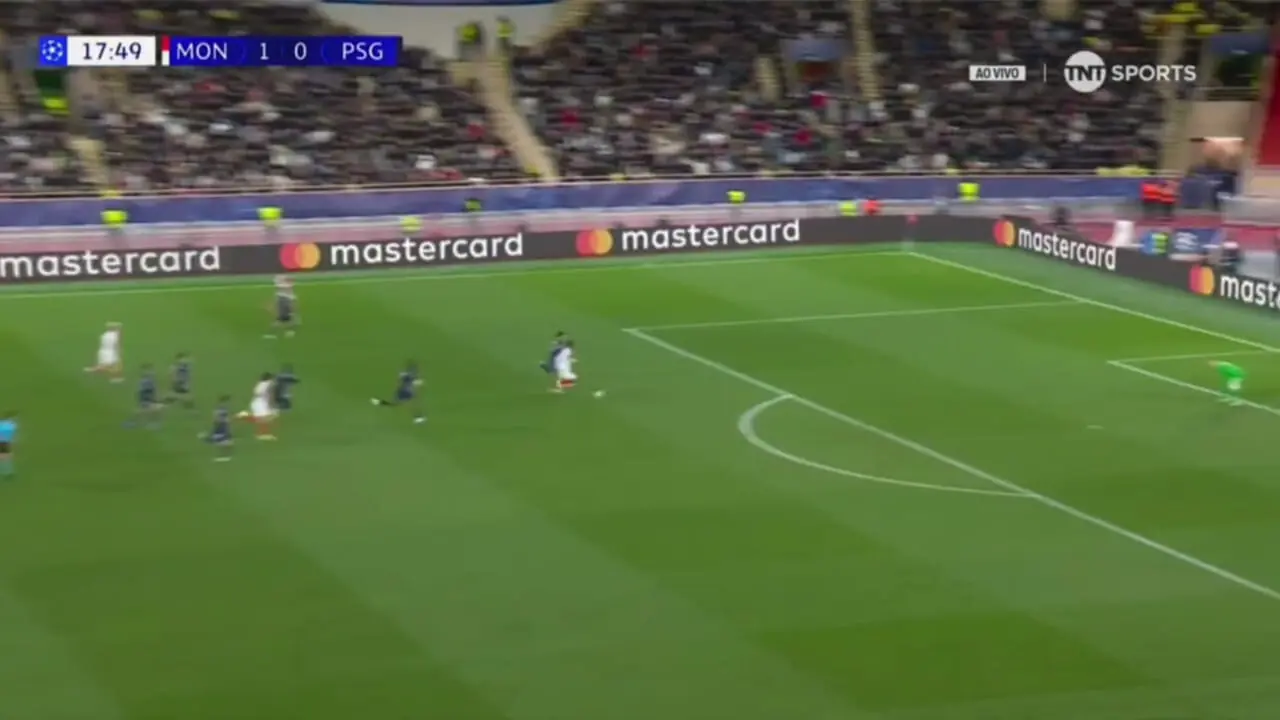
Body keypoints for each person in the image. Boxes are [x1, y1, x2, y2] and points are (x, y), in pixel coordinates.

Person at [0, 412, 16, 478]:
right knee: (6, 457)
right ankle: (7, 472)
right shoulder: (11, 426)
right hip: (4, 442)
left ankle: (7, 472)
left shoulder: (2, 424)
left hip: (3, 441)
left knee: (5, 456)